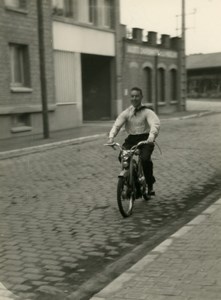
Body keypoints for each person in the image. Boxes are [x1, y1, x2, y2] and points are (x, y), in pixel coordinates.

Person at [106, 87, 160, 197]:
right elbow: (117, 125)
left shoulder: (147, 112)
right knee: (122, 157)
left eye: (137, 96)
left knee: (145, 160)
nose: (134, 98)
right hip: (131, 139)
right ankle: (133, 181)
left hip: (146, 139)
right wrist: (111, 137)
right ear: (130, 97)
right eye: (132, 96)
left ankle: (149, 185)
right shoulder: (126, 113)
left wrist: (151, 136)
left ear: (141, 97)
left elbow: (155, 124)